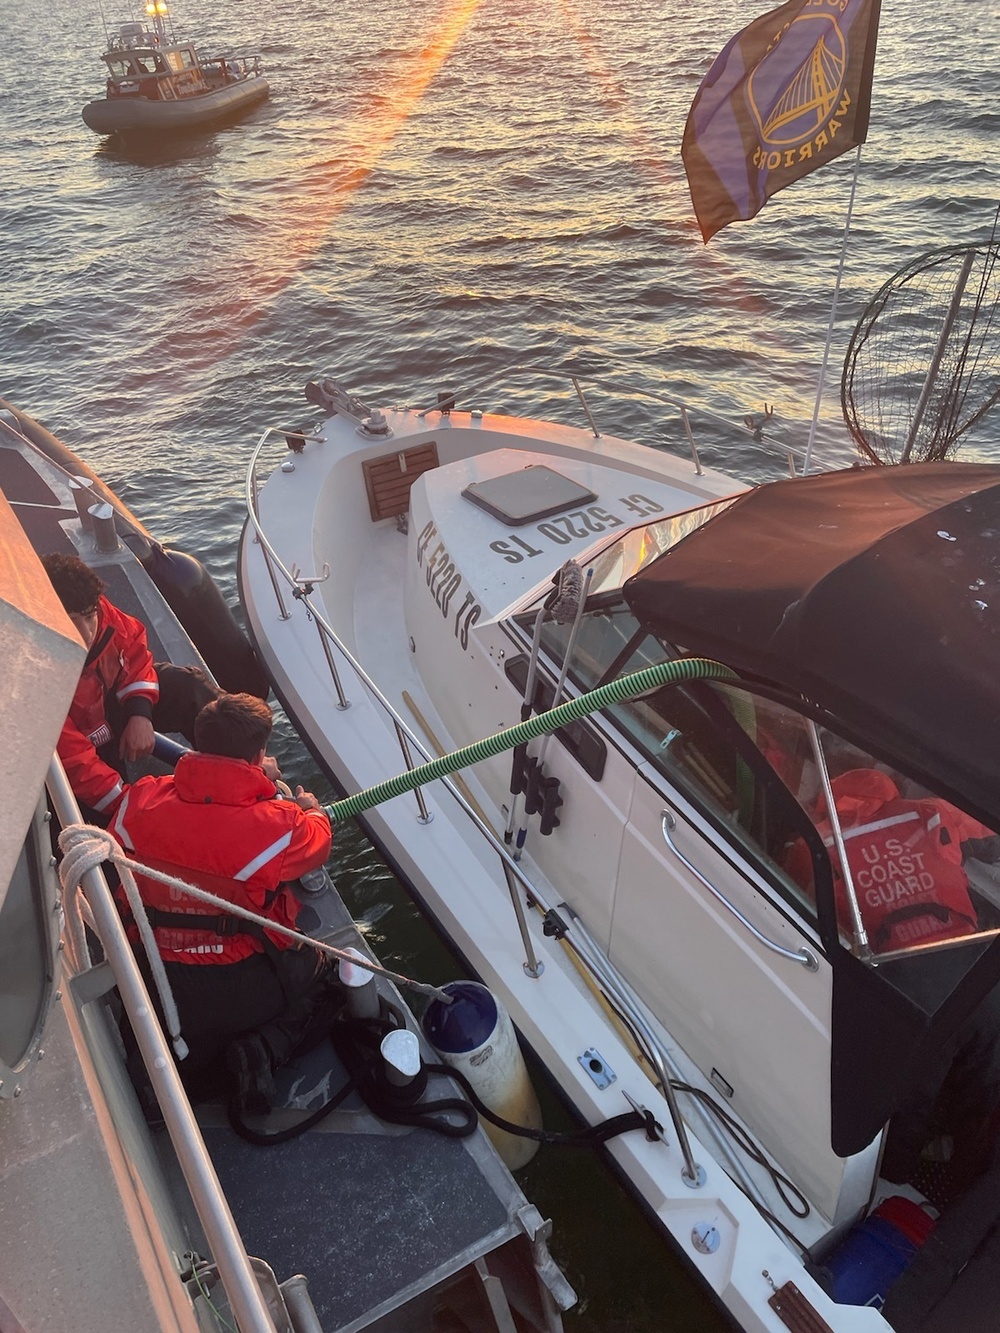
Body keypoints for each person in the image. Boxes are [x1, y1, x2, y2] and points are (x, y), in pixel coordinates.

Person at [110, 691, 335, 1109]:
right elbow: (318, 841)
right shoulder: (279, 827)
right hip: (243, 982)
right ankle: (263, 1049)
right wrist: (304, 805)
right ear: (260, 752)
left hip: (155, 978)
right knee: (325, 980)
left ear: (199, 742)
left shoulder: (139, 801)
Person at [41, 553, 217, 818]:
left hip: (110, 710)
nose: (86, 633)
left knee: (187, 686)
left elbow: (135, 652)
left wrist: (139, 712)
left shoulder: (101, 610)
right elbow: (73, 760)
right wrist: (137, 811)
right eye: (71, 620)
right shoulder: (34, 672)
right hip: (72, 743)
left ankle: (239, 762)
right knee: (96, 817)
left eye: (89, 617)